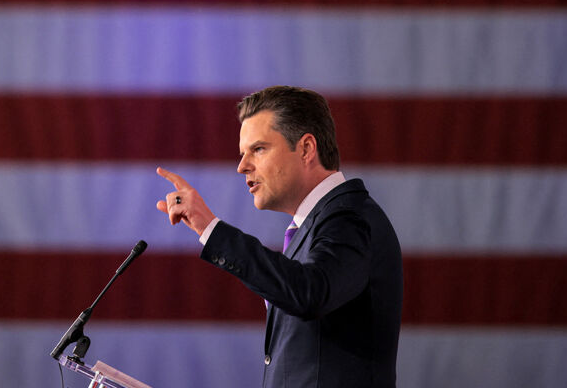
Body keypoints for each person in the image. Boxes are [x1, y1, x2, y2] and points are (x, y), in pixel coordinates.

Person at [156, 85, 402, 388]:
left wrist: (210, 228)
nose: (242, 165)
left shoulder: (350, 218)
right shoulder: (316, 226)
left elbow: (309, 292)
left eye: (258, 149)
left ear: (306, 149)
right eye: (242, 153)